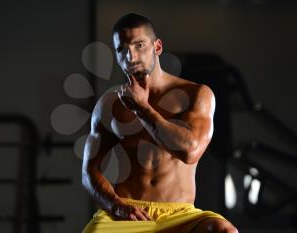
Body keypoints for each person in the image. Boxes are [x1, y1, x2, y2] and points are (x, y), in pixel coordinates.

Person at [81, 13, 238, 233]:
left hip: (181, 215)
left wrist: (142, 109)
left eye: (139, 45)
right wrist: (115, 206)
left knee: (225, 231)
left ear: (157, 47)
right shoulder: (109, 105)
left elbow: (189, 151)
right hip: (129, 213)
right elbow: (89, 170)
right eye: (122, 50)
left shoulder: (196, 94)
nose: (131, 56)